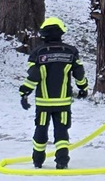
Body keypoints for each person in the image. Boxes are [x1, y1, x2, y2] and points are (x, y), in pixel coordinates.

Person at [19, 17, 88, 169]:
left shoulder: (38, 53)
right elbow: (79, 73)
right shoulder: (70, 51)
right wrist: (83, 88)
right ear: (61, 33)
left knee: (41, 129)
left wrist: (24, 93)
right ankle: (62, 161)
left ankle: (38, 160)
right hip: (63, 102)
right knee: (62, 131)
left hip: (44, 103)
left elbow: (34, 76)